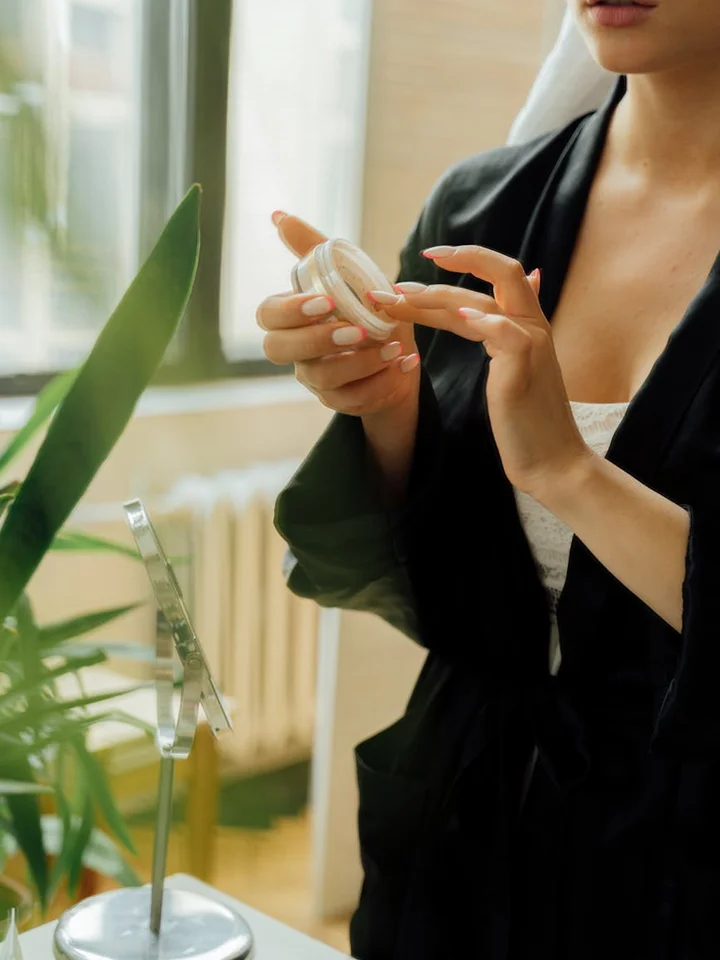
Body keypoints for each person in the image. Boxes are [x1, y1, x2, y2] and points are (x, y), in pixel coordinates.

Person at [257, 1, 720, 957]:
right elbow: (431, 553)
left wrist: (566, 470)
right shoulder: (479, 206)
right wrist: (386, 406)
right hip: (457, 832)